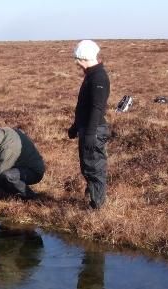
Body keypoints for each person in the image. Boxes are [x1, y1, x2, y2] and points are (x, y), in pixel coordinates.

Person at [68, 39, 110, 209]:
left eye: (77, 59)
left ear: (83, 58)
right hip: (88, 128)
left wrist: (91, 133)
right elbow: (84, 107)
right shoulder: (91, 75)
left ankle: (97, 207)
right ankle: (91, 199)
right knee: (88, 166)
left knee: (94, 168)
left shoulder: (99, 77)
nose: (76, 63)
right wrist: (76, 126)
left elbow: (97, 108)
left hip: (95, 130)